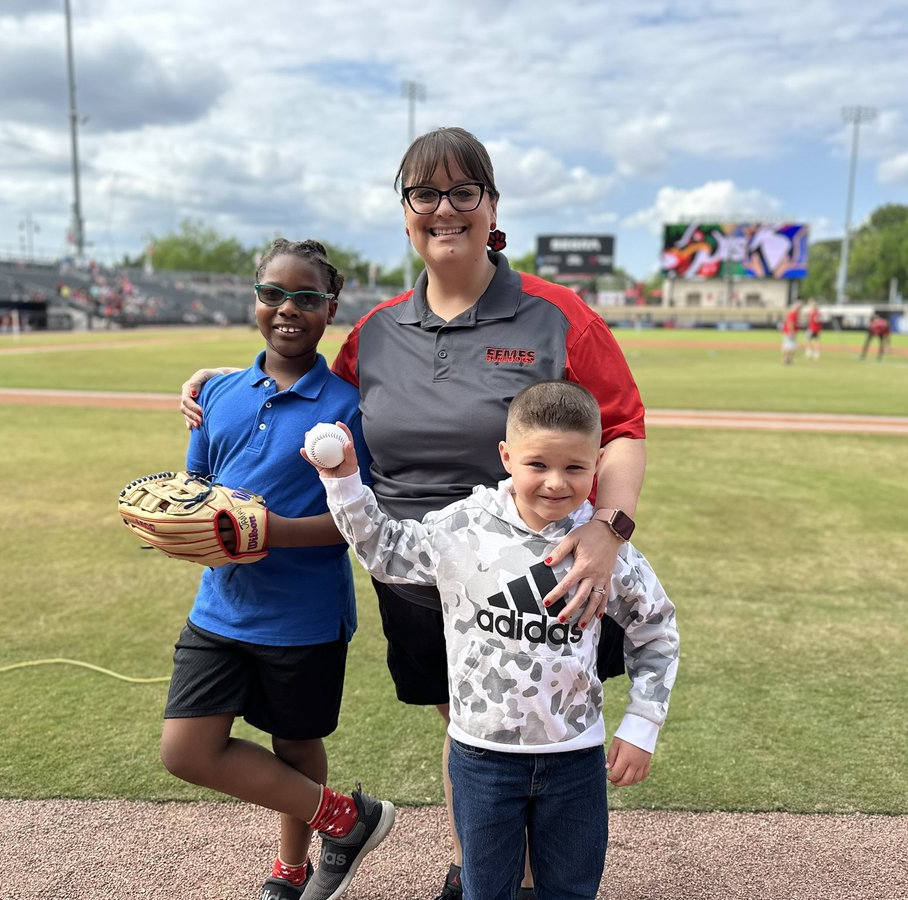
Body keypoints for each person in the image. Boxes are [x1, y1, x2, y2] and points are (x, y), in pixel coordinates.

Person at [181, 126, 647, 900]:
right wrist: (222, 382)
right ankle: (481, 866)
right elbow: (308, 393)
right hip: (416, 574)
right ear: (405, 212)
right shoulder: (376, 333)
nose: (445, 209)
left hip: (546, 575)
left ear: (492, 206)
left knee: (540, 730)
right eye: (425, 194)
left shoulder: (558, 317)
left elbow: (624, 429)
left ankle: (531, 875)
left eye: (464, 192)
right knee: (465, 725)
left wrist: (609, 530)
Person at [304, 380, 679, 900]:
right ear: (506, 456)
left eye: (575, 468)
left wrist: (642, 724)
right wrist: (344, 482)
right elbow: (387, 552)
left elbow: (655, 627)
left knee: (571, 889)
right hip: (482, 758)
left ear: (597, 466)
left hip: (575, 756)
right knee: (485, 889)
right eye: (538, 465)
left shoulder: (601, 546)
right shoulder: (463, 527)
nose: (555, 482)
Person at [160, 238, 394, 900]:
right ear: (255, 300)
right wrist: (180, 528)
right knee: (186, 750)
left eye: (306, 298)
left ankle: (291, 870)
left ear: (330, 309)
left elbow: (361, 521)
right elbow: (197, 492)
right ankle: (347, 820)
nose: (288, 309)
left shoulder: (348, 406)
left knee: (295, 745)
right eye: (274, 294)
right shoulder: (219, 393)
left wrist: (269, 531)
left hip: (305, 616)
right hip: (220, 608)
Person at [780, 299, 801, 365]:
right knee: (788, 346)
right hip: (789, 332)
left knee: (791, 346)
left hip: (789, 332)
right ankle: (786, 359)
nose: (800, 309)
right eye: (799, 307)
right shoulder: (793, 313)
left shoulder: (795, 313)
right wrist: (792, 332)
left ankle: (789, 359)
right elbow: (790, 323)